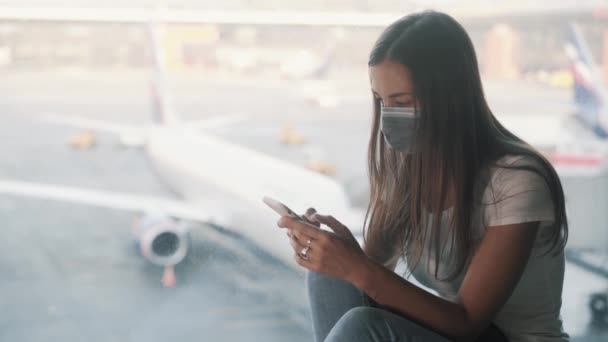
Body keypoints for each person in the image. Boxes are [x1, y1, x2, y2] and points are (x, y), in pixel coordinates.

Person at [277, 10, 570, 342]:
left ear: (449, 97)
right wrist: (335, 250)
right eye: (381, 101)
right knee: (328, 278)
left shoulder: (515, 181)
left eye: (401, 102)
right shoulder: (408, 171)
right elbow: (368, 273)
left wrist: (357, 267)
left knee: (362, 326)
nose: (388, 116)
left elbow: (467, 320)